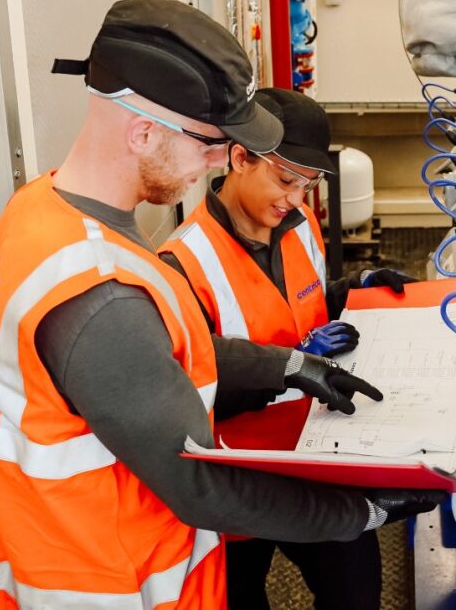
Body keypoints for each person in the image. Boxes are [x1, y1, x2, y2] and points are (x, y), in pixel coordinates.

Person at [0, 0, 442, 608]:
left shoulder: (43, 209)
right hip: (108, 588)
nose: (220, 163)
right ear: (143, 132)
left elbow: (166, 356)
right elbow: (199, 483)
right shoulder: (100, 294)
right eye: (212, 144)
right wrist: (362, 511)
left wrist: (290, 364)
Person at [160, 88, 417, 610]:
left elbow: (302, 303)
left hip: (319, 459)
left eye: (308, 185)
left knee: (356, 594)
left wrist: (354, 289)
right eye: (285, 180)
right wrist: (291, 364)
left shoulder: (298, 229)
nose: (295, 199)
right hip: (237, 482)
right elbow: (188, 394)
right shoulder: (182, 263)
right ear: (239, 157)